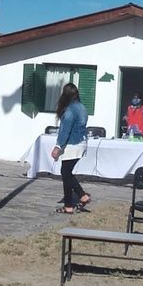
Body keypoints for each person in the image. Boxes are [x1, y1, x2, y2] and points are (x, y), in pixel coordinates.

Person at [51, 83, 91, 214]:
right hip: (82, 142)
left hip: (72, 144)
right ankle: (72, 202)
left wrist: (58, 146)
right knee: (66, 172)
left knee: (66, 173)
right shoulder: (82, 107)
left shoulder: (69, 110)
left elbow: (65, 130)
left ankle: (79, 197)